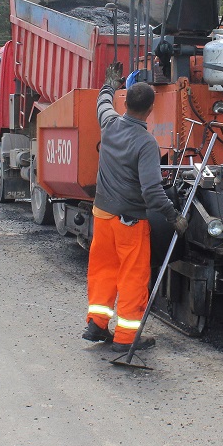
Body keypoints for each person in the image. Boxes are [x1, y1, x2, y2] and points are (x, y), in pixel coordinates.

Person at [83, 66, 189, 352]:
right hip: (129, 222)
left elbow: (102, 103)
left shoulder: (110, 124)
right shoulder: (146, 143)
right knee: (132, 277)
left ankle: (97, 324)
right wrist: (173, 216)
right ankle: (127, 338)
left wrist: (108, 85)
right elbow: (152, 192)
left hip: (102, 216)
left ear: (125, 103)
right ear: (151, 109)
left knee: (103, 270)